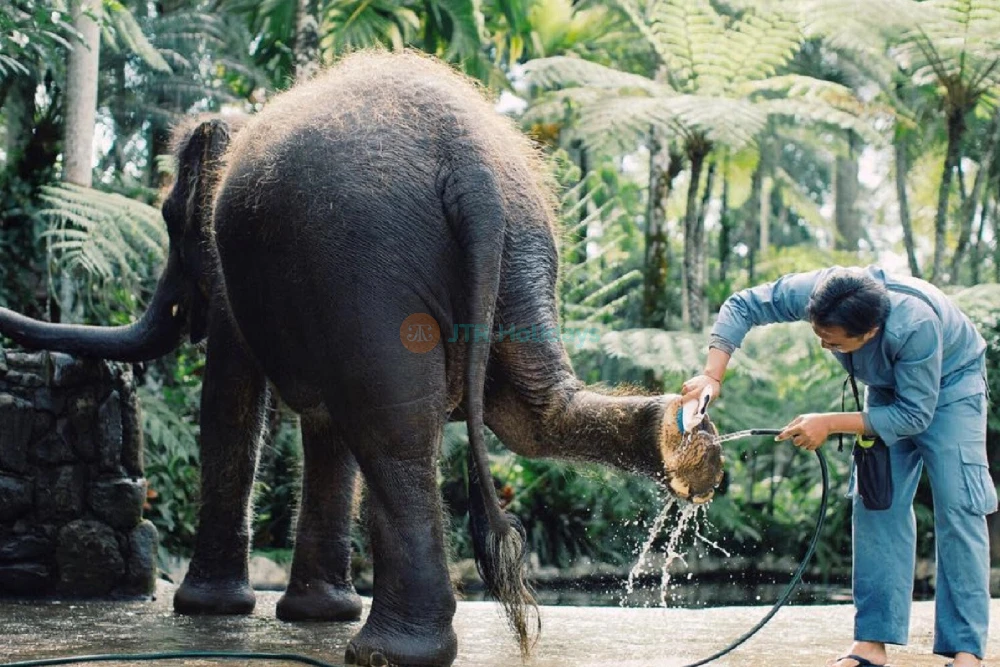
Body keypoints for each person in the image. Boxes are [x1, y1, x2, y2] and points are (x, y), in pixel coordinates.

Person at [682, 265, 996, 667]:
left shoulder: (915, 324)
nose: (823, 346)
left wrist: (829, 423)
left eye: (832, 342)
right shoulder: (826, 292)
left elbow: (914, 417)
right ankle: (871, 644)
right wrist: (713, 376)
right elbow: (743, 305)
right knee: (876, 503)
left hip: (954, 389)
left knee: (960, 506)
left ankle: (965, 649)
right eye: (819, 335)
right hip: (886, 393)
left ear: (870, 333)